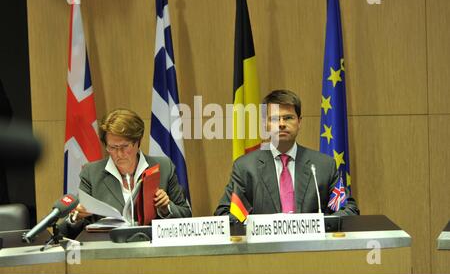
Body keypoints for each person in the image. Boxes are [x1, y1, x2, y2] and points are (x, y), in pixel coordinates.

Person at [215, 89, 359, 218]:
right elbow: (225, 213)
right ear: (265, 124)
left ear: (299, 122)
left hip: (311, 246)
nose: (282, 124)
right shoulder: (246, 167)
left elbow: (348, 209)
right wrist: (255, 227)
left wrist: (320, 224)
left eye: (288, 118)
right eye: (275, 119)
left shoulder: (323, 166)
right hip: (266, 246)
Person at [68, 108, 191, 231]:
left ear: (138, 142)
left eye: (125, 146)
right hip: (110, 247)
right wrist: (76, 217)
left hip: (152, 246)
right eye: (112, 147)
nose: (119, 153)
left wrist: (166, 207)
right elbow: (68, 230)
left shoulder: (164, 167)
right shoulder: (91, 173)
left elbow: (187, 217)